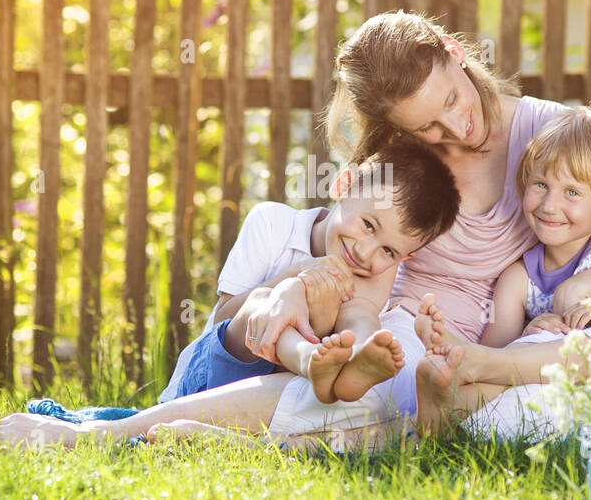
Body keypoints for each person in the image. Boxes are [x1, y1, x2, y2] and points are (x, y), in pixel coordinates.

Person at [0, 10, 591, 451]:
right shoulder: (407, 162)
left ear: (455, 51)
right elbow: (352, 248)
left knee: (396, 395)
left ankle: (217, 443)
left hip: (481, 350)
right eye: (430, 124)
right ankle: (100, 438)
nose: (458, 128)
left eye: (452, 101)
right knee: (367, 379)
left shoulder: (553, 138)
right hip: (398, 329)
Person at [412, 103, 591, 435]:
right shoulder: (517, 280)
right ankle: (445, 404)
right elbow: (496, 354)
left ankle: (455, 393)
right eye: (540, 185)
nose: (550, 205)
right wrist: (531, 332)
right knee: (512, 370)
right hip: (566, 376)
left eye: (571, 192)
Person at [167, 138, 459, 406]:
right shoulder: (272, 224)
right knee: (263, 301)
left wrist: (356, 337)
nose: (364, 253)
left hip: (272, 403)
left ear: (406, 257)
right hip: (205, 383)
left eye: (389, 251)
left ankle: (357, 360)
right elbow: (223, 318)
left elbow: (358, 315)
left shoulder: (377, 273)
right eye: (368, 225)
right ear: (344, 186)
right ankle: (307, 359)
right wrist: (296, 277)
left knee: (360, 313)